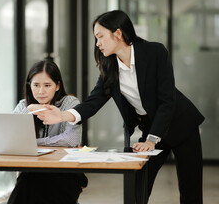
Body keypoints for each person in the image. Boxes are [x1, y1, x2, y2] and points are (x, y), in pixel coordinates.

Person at [33, 10, 205, 204]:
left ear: (118, 33)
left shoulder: (155, 52)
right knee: (138, 185)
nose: (97, 43)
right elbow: (93, 101)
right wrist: (63, 116)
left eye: (100, 37)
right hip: (150, 125)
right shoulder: (109, 67)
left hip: (181, 123)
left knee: (190, 190)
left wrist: (151, 139)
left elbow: (167, 100)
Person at [7, 59, 88, 204]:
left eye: (47, 85)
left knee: (30, 183)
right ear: (29, 85)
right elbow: (10, 138)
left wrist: (34, 143)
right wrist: (27, 111)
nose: (41, 91)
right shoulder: (23, 105)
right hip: (33, 170)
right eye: (36, 85)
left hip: (65, 171)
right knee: (29, 180)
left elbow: (71, 141)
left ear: (57, 86)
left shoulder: (70, 103)